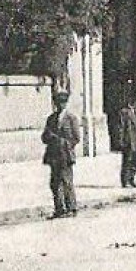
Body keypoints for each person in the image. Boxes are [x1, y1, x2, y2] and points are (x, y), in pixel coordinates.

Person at [41, 90, 83, 218]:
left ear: (66, 103)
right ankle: (59, 208)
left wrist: (63, 143)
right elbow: (44, 137)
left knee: (66, 181)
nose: (60, 105)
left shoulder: (71, 118)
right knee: (54, 183)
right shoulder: (51, 119)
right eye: (58, 103)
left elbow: (76, 138)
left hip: (65, 154)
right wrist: (49, 137)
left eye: (63, 103)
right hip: (53, 155)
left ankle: (71, 208)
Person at [118, 100, 136, 188]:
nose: (135, 104)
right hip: (129, 140)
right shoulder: (124, 112)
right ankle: (124, 181)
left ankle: (131, 179)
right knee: (127, 161)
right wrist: (122, 140)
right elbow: (122, 128)